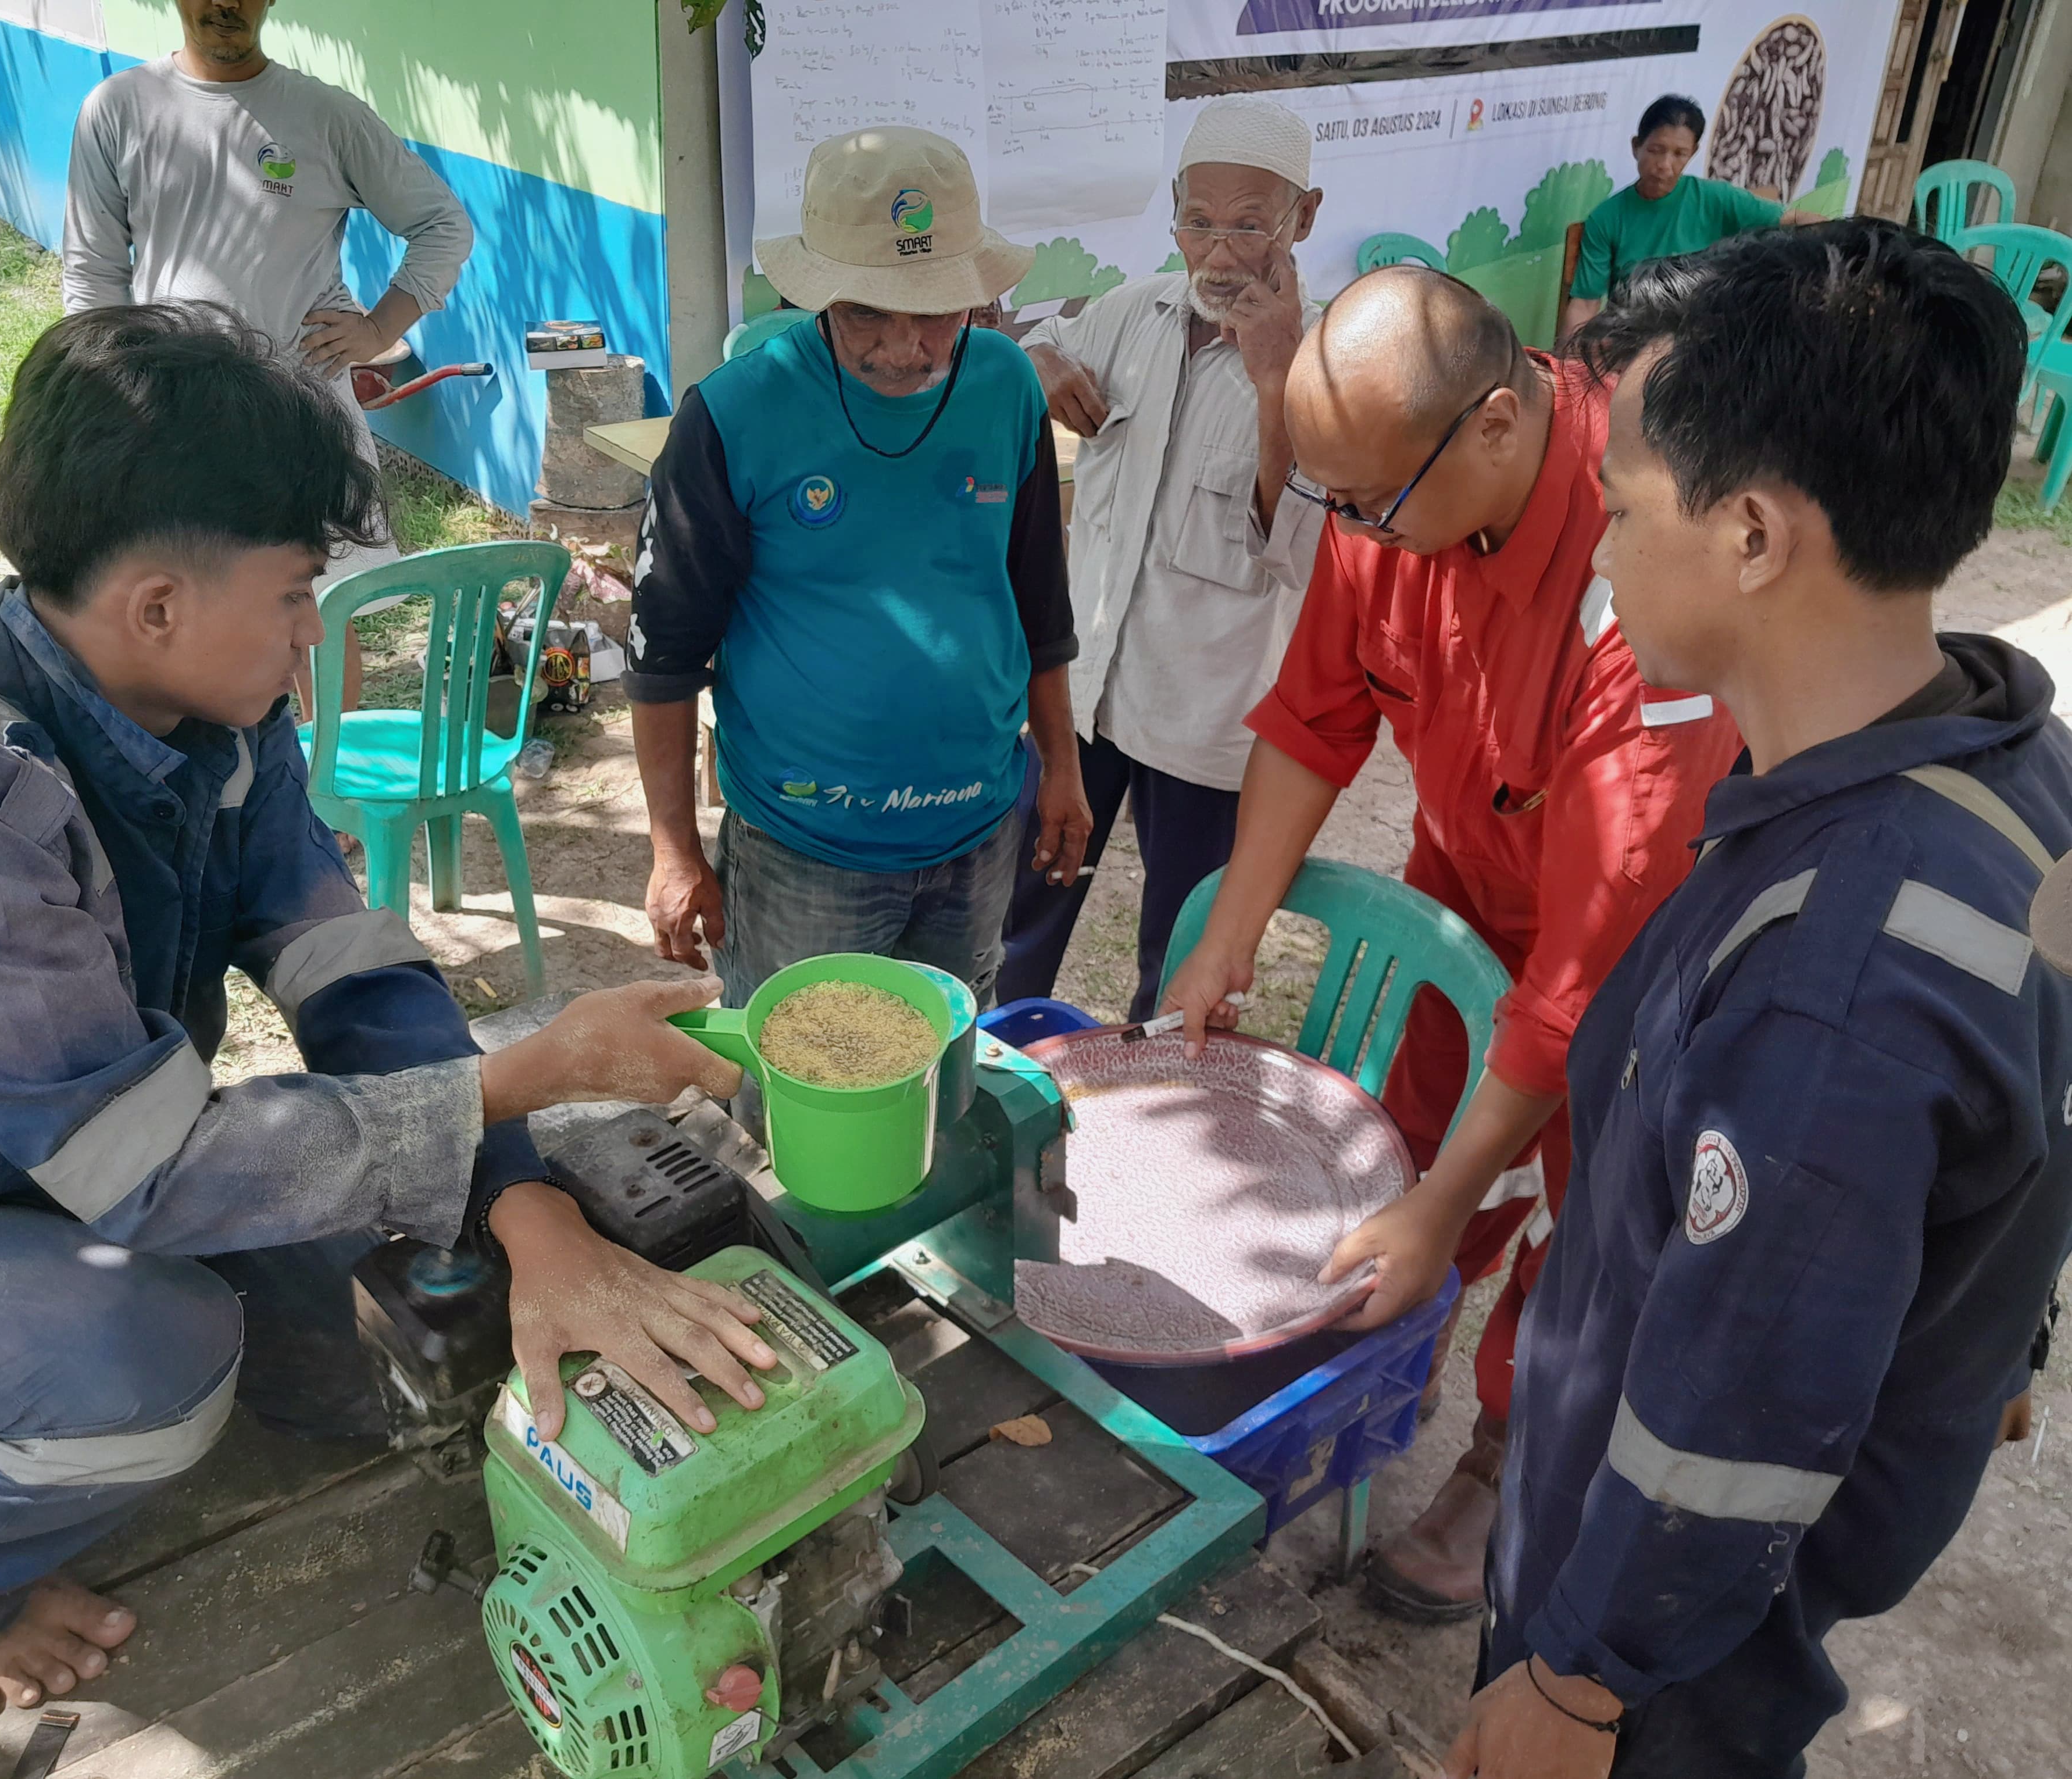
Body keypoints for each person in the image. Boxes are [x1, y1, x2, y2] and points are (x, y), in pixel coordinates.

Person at [0, 306, 777, 1722]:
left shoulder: (212, 718)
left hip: (40, 1164)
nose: (312, 633)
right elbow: (138, 1171)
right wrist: (519, 1080)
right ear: (158, 605)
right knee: (152, 1359)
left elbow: (346, 967)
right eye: (294, 594)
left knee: (387, 1358)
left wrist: (533, 1213)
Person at [1454, 220, 2072, 1779]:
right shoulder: (2002, 758)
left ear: (1749, 536)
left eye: (1616, 508)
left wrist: (1583, 1681)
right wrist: (1999, 1343)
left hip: (1673, 1652)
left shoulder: (1835, 984)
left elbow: (1736, 1425)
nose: (1594, 550)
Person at [1161, 266, 1738, 1621]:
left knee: (1586, 1209)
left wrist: (1443, 1201)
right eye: (1332, 500)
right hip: (1467, 881)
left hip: (1636, 951)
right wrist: (1222, 940)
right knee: (1397, 1143)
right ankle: (1387, 1352)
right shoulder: (1389, 482)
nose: (1348, 530)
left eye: (1366, 503)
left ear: (1491, 425)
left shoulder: (1636, 569)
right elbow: (1314, 718)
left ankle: (1506, 1457)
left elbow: (1579, 978)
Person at [627, 127, 1089, 1012]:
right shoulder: (733, 417)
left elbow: (1039, 603)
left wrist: (1060, 767)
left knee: (942, 1088)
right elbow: (665, 655)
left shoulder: (1006, 389)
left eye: (934, 311)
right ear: (819, 292)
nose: (903, 348)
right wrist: (675, 848)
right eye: (866, 312)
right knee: (796, 1101)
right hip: (807, 852)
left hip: (979, 830)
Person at [998, 97, 1326, 1021]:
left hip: (1207, 721)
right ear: (1175, 215)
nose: (1219, 253)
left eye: (1250, 225)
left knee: (1177, 953)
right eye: (1198, 222)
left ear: (1304, 218)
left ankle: (1163, 1123)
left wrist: (1275, 382)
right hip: (1087, 691)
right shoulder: (1132, 310)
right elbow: (1038, 349)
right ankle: (988, 1082)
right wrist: (1039, 363)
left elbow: (1294, 546)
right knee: (1025, 910)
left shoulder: (1329, 359)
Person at [63, 0, 474, 712]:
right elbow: (93, 271)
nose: (225, 3)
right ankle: (219, 792)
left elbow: (443, 224)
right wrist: (111, 395)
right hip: (172, 418)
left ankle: (326, 807)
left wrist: (380, 328)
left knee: (321, 609)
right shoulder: (118, 108)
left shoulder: (325, 115)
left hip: (305, 414)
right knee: (181, 605)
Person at [1559, 95, 1819, 341]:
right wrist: (1567, 370)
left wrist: (1848, 249)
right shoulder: (1607, 218)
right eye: (1656, 150)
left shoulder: (1716, 199)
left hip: (1703, 340)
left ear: (1693, 153)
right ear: (1636, 147)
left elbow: (1794, 219)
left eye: (1679, 154)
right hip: (1632, 343)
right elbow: (1585, 303)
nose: (1665, 165)